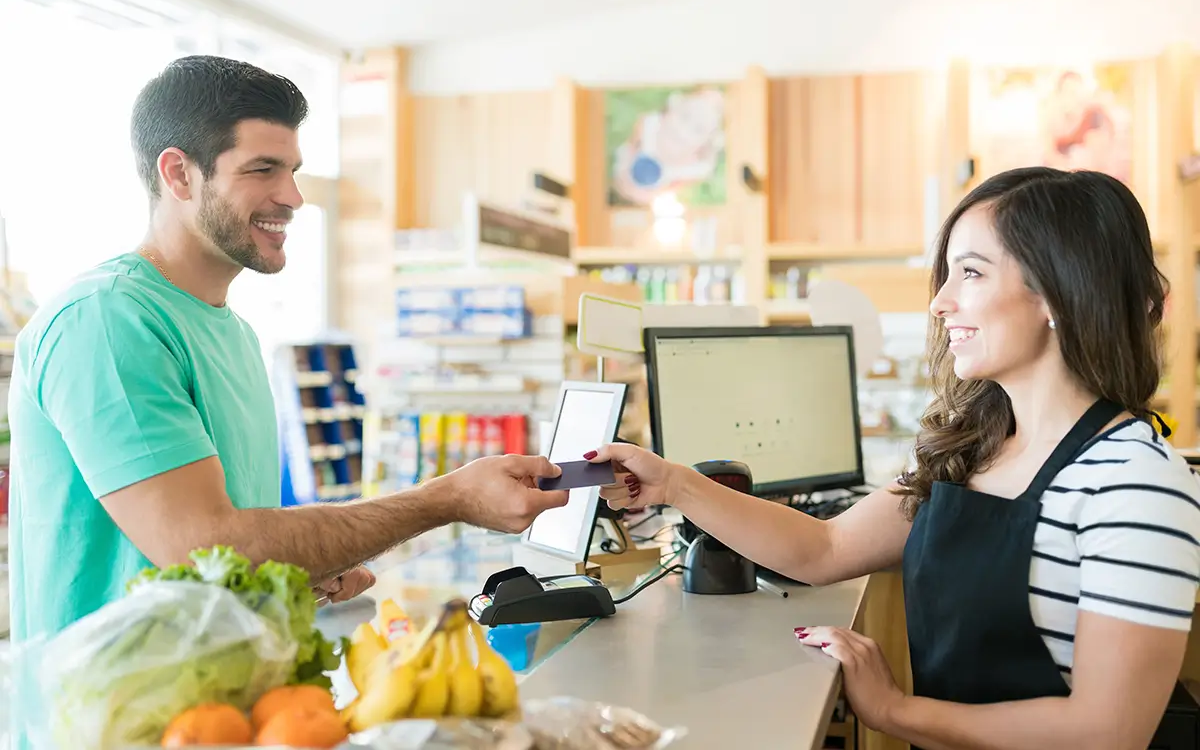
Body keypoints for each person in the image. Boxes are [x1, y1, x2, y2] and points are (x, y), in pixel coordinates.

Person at [587, 167, 1200, 749]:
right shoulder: (974, 448)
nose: (940, 303)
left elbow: (1106, 732)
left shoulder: (1135, 480)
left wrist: (892, 710)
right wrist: (674, 483)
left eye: (972, 273)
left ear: (1057, 295)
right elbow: (822, 550)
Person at [7, 55, 567, 646]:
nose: (293, 196)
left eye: (294, 169)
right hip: (110, 724)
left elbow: (238, 552)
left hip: (223, 709)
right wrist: (445, 498)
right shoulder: (107, 319)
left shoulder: (234, 333)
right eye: (263, 169)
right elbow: (205, 547)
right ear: (178, 175)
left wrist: (304, 566)